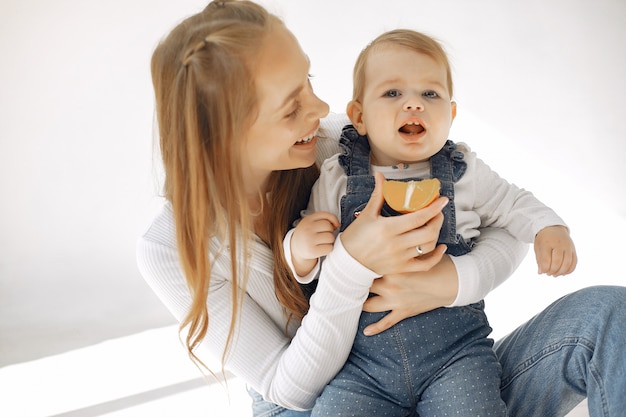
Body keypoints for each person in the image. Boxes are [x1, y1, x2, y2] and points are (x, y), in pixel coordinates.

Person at [137, 1, 626, 416]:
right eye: (291, 106)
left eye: (308, 79)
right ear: (222, 138)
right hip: (326, 396)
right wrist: (351, 263)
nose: (321, 105)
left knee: (610, 314)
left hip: (451, 365)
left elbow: (499, 215)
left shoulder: (346, 141)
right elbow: (289, 388)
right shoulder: (169, 248)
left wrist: (452, 281)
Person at [284, 29, 577, 416]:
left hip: (454, 357)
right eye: (392, 94)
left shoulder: (463, 172)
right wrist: (299, 248)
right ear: (359, 116)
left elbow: (512, 203)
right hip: (361, 368)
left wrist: (548, 227)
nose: (414, 105)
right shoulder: (337, 177)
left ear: (451, 115)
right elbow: (315, 265)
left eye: (430, 94)